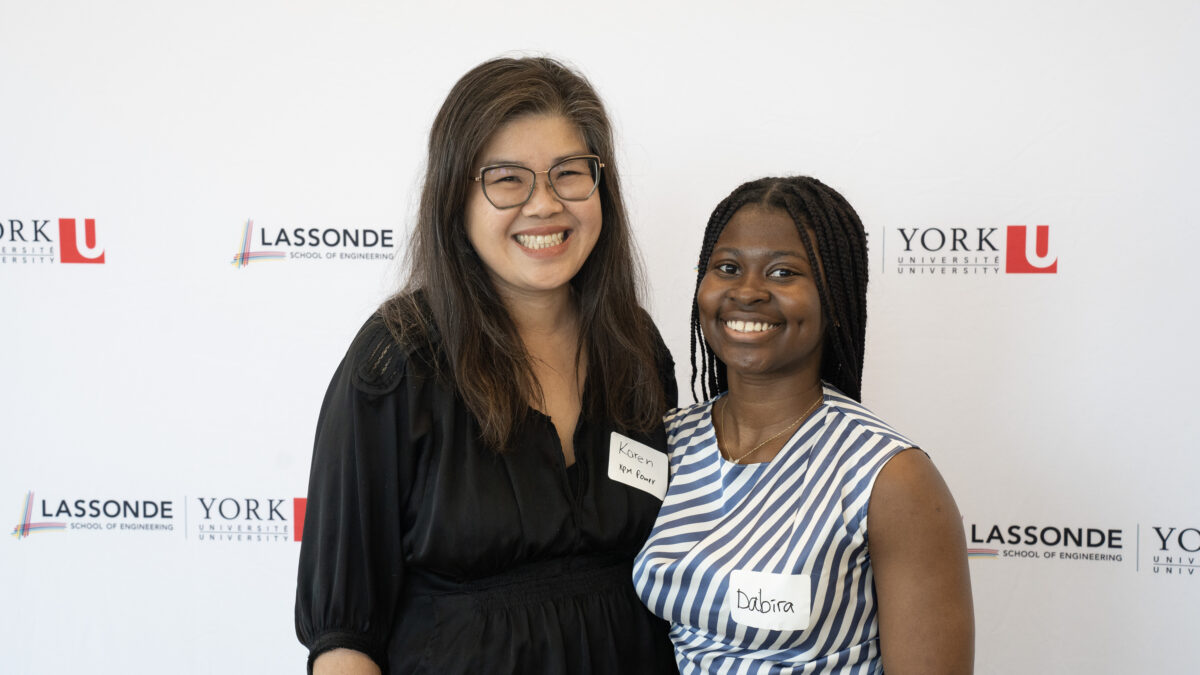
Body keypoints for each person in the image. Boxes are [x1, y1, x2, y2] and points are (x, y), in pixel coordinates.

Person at [295, 56, 678, 675]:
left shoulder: (634, 346)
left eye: (569, 174)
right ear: (456, 196)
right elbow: (344, 638)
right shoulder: (397, 361)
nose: (544, 205)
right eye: (508, 179)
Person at [633, 176, 974, 673]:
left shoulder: (890, 477)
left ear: (833, 296)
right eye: (727, 267)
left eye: (782, 272)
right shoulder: (666, 442)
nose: (747, 291)